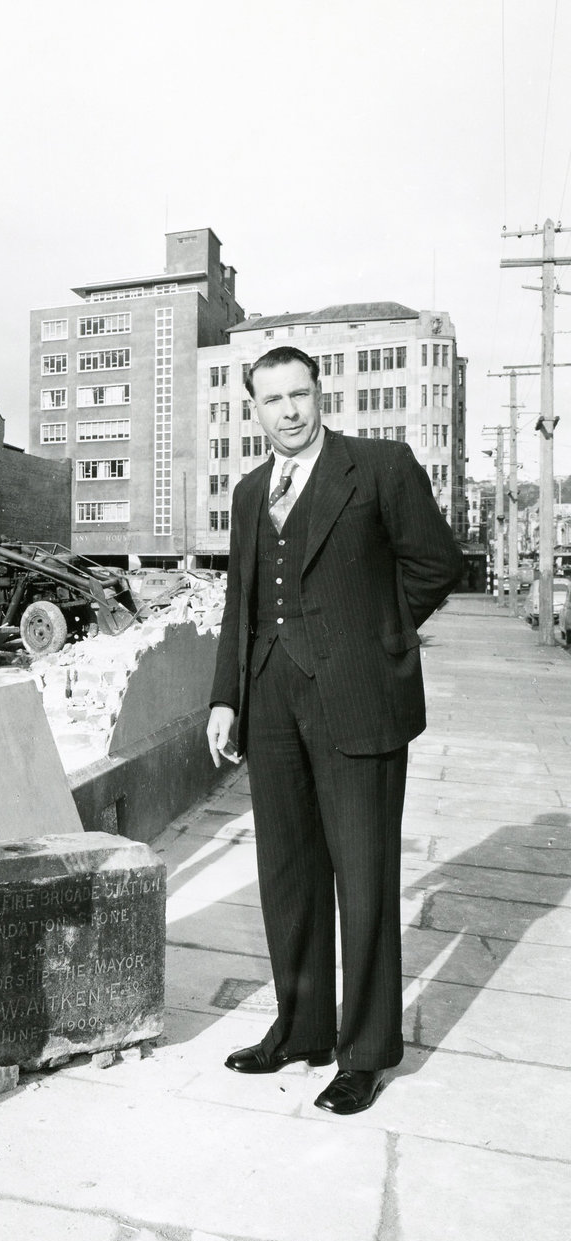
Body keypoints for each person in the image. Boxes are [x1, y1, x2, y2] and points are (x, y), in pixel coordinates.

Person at [206, 345, 462, 1115]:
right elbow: (241, 603)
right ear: (253, 407)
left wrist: (380, 633)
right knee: (288, 872)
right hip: (272, 701)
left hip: (358, 699)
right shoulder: (252, 492)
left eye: (299, 395)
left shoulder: (380, 467)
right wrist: (227, 697)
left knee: (365, 878)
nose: (288, 410)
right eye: (271, 399)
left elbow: (436, 562)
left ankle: (366, 1051)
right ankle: (302, 1027)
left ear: (320, 394)